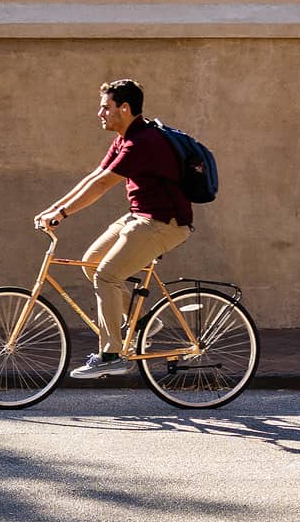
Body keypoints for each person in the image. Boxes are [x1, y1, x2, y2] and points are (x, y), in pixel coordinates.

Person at [34, 78, 192, 378]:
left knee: (107, 277)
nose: (100, 113)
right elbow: (94, 176)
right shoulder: (125, 138)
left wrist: (63, 214)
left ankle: (111, 355)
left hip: (163, 223)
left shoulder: (141, 142)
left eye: (105, 107)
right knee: (92, 263)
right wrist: (54, 208)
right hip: (140, 216)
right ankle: (144, 322)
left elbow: (104, 185)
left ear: (125, 108)